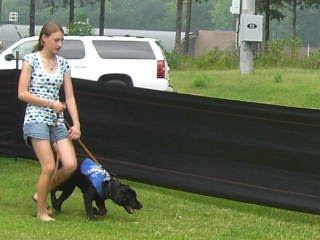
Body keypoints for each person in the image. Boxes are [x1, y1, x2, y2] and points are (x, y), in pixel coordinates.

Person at [18, 22, 81, 222]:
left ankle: (41, 193)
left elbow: (70, 97)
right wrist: (50, 103)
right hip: (36, 118)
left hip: (57, 120)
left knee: (70, 164)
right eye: (56, 40)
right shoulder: (31, 60)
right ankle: (41, 212)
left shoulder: (63, 64)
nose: (60, 44)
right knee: (48, 166)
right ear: (44, 38)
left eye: (62, 40)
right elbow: (22, 93)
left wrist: (77, 124)